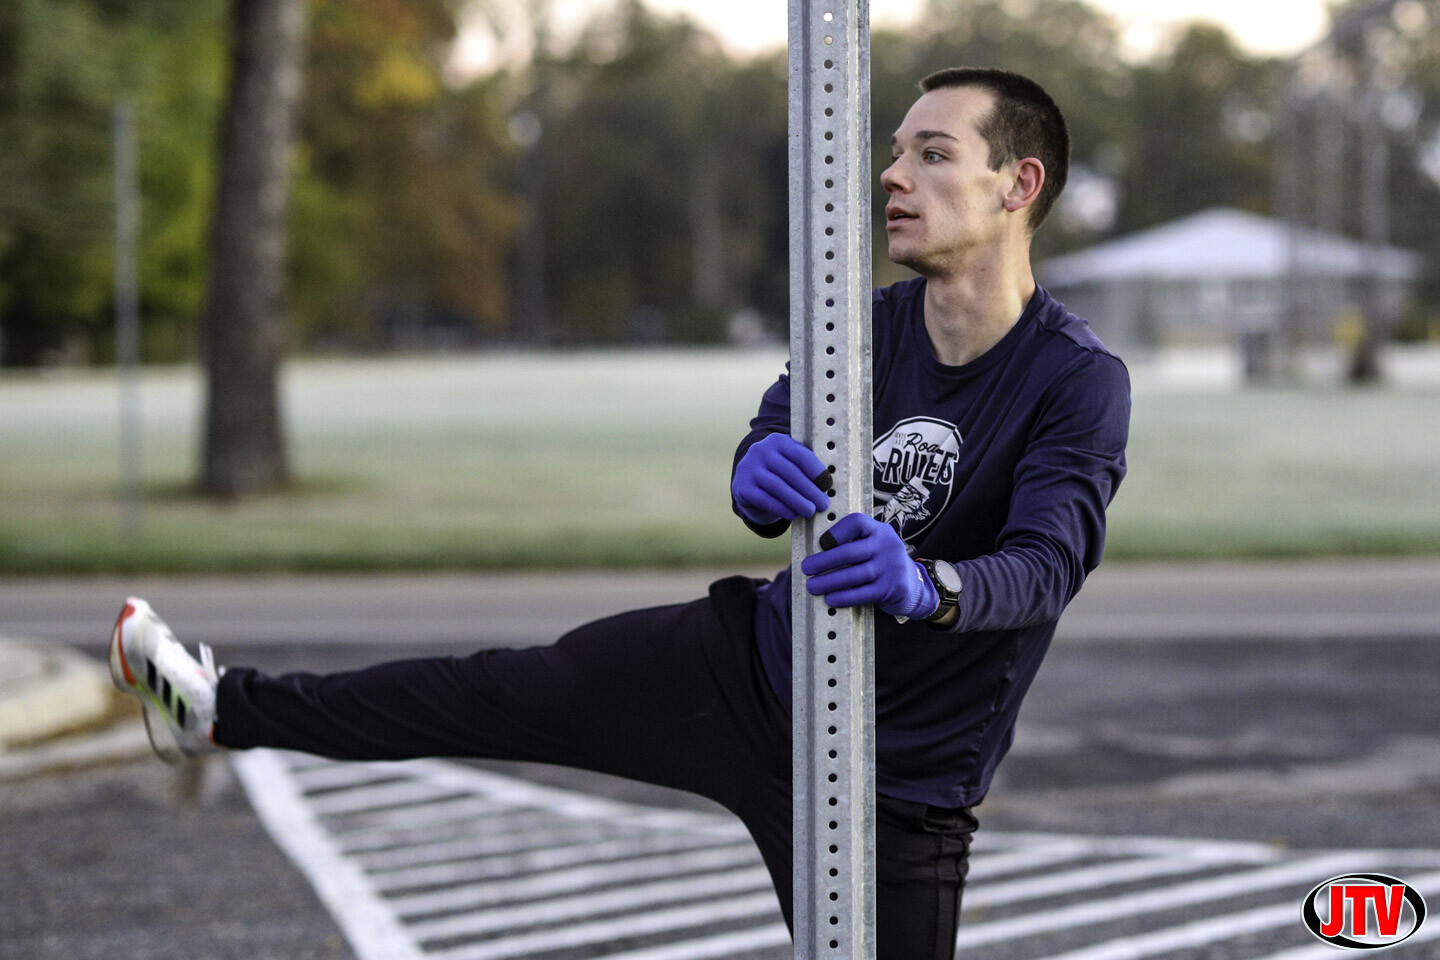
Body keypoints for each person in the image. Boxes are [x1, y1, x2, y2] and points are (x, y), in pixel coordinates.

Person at [109, 67, 1129, 960]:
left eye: (933, 154)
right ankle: (214, 708)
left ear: (1018, 184)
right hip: (753, 671)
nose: (892, 177)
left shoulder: (1074, 379)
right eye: (896, 151)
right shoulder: (856, 326)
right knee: (486, 690)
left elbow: (1046, 565)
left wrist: (927, 585)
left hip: (897, 780)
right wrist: (753, 469)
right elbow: (770, 432)